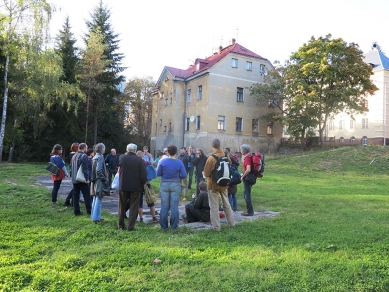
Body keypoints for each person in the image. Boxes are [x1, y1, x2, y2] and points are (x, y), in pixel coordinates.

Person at [203, 139, 235, 231]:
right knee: (227, 204)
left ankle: (216, 227)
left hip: (213, 185)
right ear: (220, 145)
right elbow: (230, 166)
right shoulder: (226, 156)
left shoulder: (211, 158)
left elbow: (206, 173)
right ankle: (232, 223)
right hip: (224, 184)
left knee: (214, 206)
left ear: (212, 146)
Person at [157, 144, 187, 231]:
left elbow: (158, 173)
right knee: (174, 206)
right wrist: (178, 176)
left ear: (168, 152)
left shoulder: (162, 161)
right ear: (176, 152)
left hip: (164, 184)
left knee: (164, 206)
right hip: (176, 184)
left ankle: (164, 227)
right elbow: (184, 175)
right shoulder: (179, 162)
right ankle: (174, 227)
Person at [118, 143, 147, 231]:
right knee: (133, 207)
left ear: (127, 150)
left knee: (121, 207)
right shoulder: (139, 160)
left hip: (123, 185)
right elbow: (143, 175)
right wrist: (142, 183)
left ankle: (120, 225)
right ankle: (130, 227)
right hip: (135, 187)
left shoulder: (121, 158)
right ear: (135, 151)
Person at [136, 150, 158, 223]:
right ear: (143, 156)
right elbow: (152, 173)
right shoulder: (147, 163)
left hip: (138, 184)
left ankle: (141, 218)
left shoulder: (135, 164)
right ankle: (154, 217)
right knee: (151, 201)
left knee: (139, 202)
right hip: (147, 183)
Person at [70, 143, 92, 216]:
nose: (87, 149)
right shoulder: (84, 156)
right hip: (82, 179)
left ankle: (76, 211)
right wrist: (87, 178)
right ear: (84, 148)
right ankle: (89, 211)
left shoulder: (73, 156)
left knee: (75, 196)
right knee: (87, 195)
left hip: (74, 179)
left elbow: (71, 167)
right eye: (87, 148)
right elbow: (85, 168)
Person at [91, 143, 110, 223]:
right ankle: (96, 218)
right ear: (102, 149)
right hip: (99, 180)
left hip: (95, 180)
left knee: (95, 198)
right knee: (99, 198)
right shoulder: (100, 157)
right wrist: (104, 179)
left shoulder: (94, 156)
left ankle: (94, 217)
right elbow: (99, 170)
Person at [240, 144, 254, 216]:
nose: (240, 151)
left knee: (246, 194)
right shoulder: (250, 156)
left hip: (248, 178)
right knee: (246, 193)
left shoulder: (248, 158)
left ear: (244, 150)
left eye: (241, 149)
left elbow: (248, 170)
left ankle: (250, 211)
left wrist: (242, 177)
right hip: (251, 177)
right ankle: (249, 210)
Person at [224, 147, 239, 212]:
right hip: (233, 179)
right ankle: (235, 208)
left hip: (229, 178)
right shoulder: (231, 159)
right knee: (233, 194)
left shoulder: (225, 159)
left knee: (229, 194)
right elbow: (237, 164)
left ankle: (229, 209)